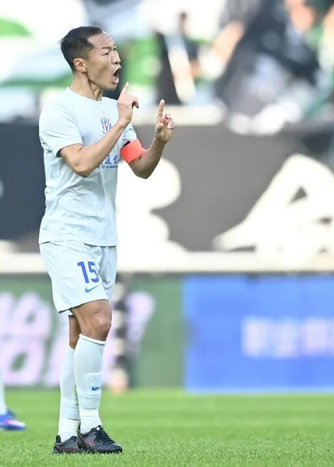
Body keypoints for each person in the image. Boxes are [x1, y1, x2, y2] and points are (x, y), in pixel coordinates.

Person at [38, 26, 175, 454]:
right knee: (98, 320)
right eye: (106, 52)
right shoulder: (59, 110)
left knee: (80, 333)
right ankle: (91, 426)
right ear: (81, 63)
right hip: (67, 234)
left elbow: (141, 167)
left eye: (116, 50)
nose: (116, 59)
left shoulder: (113, 112)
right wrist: (120, 123)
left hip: (103, 236)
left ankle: (66, 433)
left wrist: (159, 143)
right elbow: (80, 163)